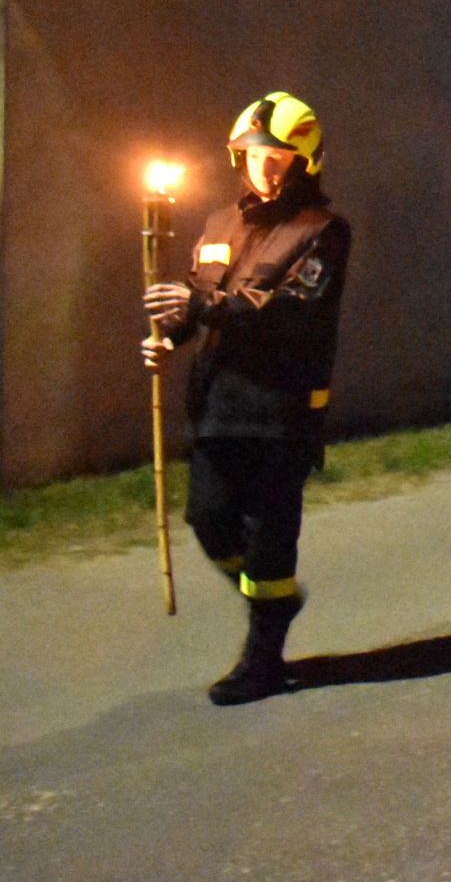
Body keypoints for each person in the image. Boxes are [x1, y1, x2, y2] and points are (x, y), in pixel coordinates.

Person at [141, 92, 350, 706]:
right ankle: (273, 602)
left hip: (280, 410)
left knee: (268, 537)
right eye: (253, 155)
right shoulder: (219, 223)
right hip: (218, 404)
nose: (263, 166)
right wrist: (168, 334)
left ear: (304, 160)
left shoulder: (323, 232)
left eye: (277, 155)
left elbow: (288, 311)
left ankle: (262, 657)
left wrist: (202, 305)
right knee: (208, 519)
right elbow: (198, 298)